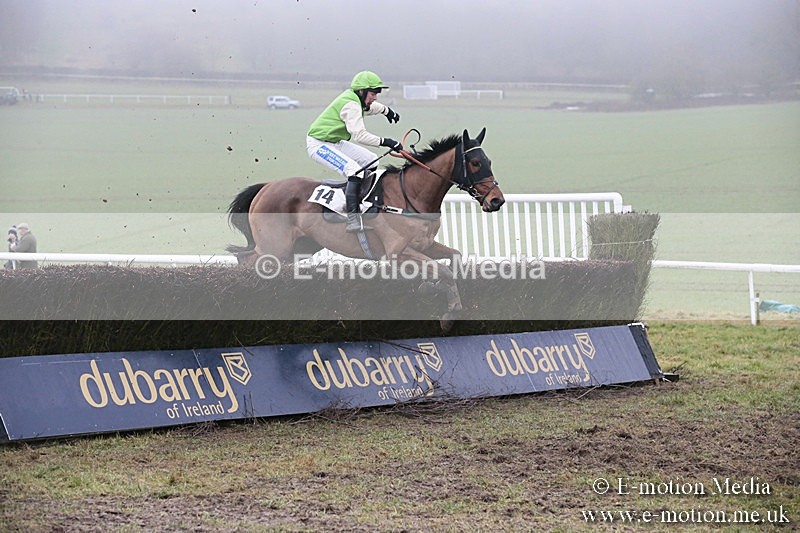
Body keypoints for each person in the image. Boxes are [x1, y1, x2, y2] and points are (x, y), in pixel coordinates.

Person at [307, 70, 403, 232]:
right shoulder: (351, 104)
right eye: (373, 93)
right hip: (319, 145)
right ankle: (353, 219)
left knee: (371, 160)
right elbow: (360, 136)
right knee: (354, 170)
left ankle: (362, 200)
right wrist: (387, 142)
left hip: (335, 142)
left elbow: (371, 107)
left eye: (377, 93)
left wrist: (388, 111)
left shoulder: (356, 99)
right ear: (361, 91)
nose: (375, 97)